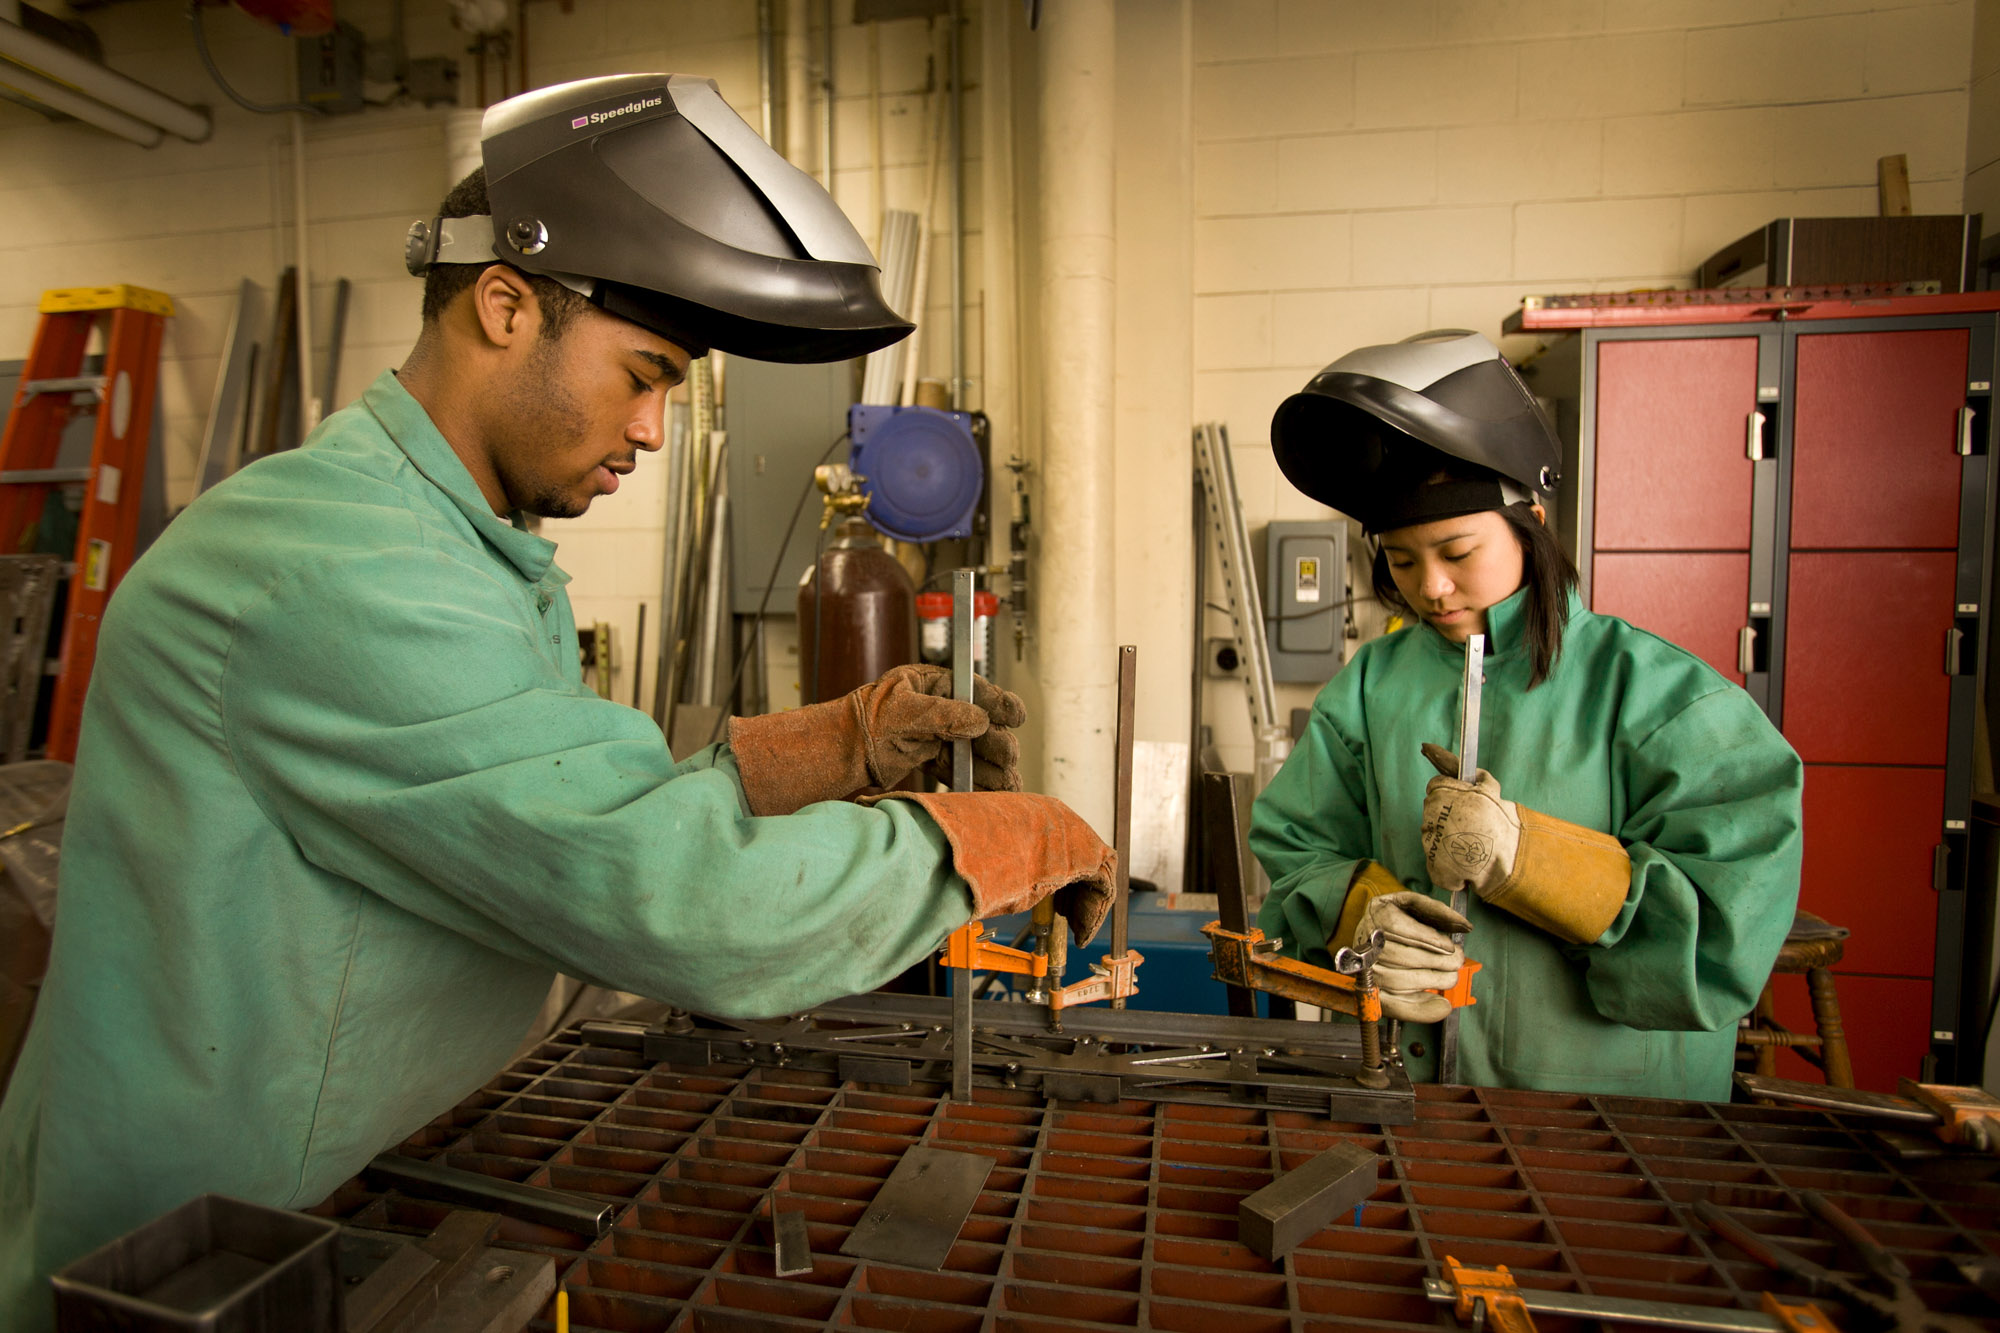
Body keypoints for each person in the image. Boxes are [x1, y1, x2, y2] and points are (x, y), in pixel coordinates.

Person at [0, 73, 1113, 1329]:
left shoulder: (452, 543)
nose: (650, 428)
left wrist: (836, 744)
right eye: (640, 373)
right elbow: (674, 896)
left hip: (337, 1182)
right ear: (503, 303)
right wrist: (992, 843)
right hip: (184, 1259)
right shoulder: (340, 568)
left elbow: (563, 800)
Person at [1249, 330, 1802, 1101]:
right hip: (1403, 1103)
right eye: (1402, 561)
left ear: (1530, 519)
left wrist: (1529, 859)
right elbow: (1298, 845)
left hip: (1607, 1128)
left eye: (1457, 549)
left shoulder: (1662, 696)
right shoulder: (1371, 686)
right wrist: (1361, 915)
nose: (1432, 587)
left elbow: (1725, 934)